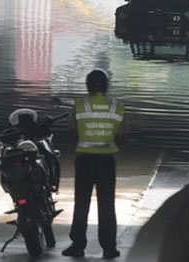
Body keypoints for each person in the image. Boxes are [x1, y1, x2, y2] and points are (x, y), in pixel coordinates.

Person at [62, 68, 124, 259]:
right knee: (107, 205)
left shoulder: (80, 106)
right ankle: (109, 248)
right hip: (107, 161)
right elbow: (123, 135)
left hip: (84, 161)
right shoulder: (116, 106)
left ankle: (78, 245)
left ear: (88, 86)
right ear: (106, 86)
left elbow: (71, 133)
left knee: (81, 204)